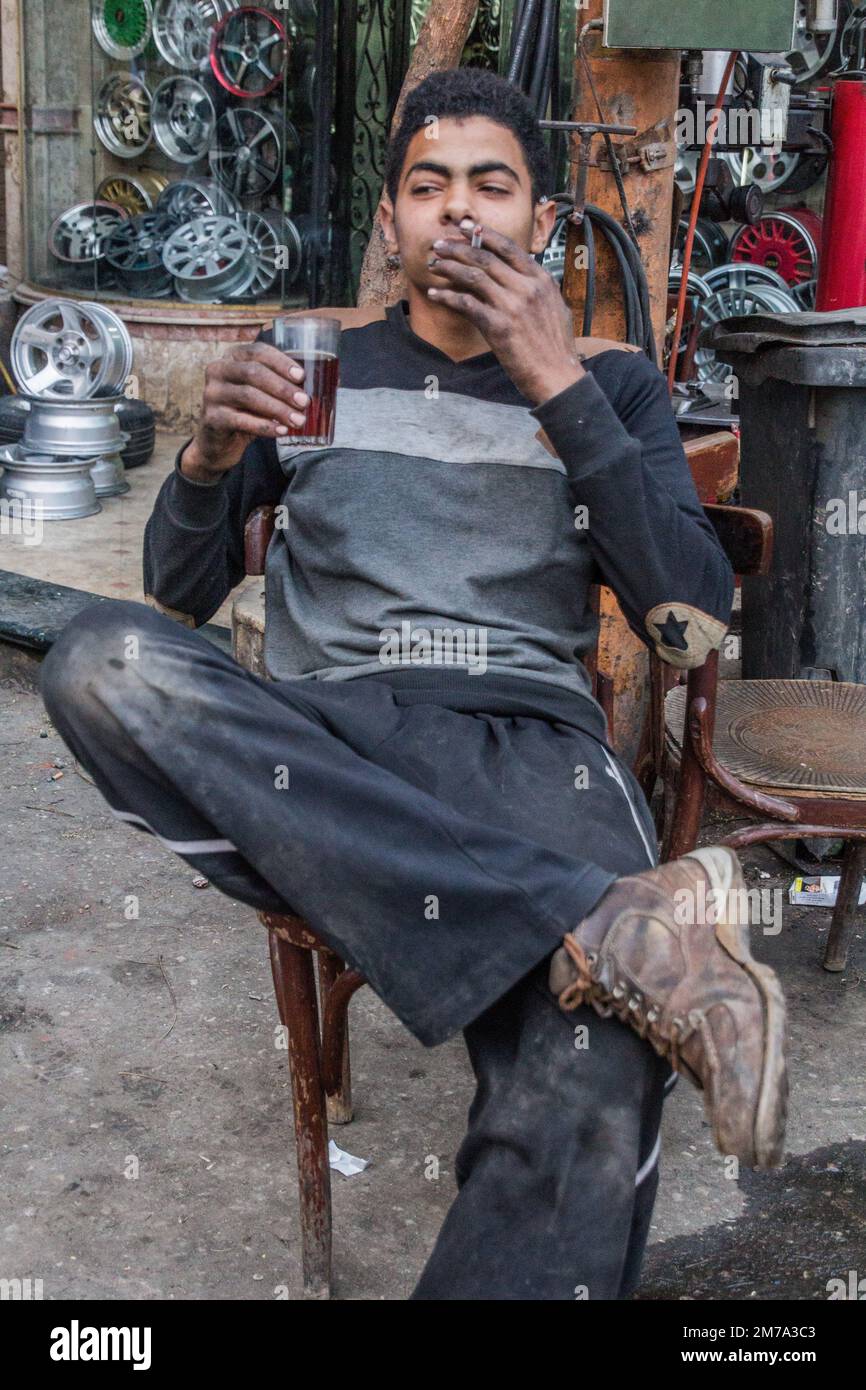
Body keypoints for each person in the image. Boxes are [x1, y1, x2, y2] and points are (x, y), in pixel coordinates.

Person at [39, 67, 788, 1301]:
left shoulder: (608, 384)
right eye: (426, 186)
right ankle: (606, 922)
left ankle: (593, 932)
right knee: (100, 658)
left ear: (540, 223)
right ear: (388, 222)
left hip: (532, 751)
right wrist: (209, 453)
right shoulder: (312, 366)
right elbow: (170, 593)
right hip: (326, 753)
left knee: (596, 1068)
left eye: (490, 185)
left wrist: (554, 384)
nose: (457, 214)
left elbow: (689, 630)